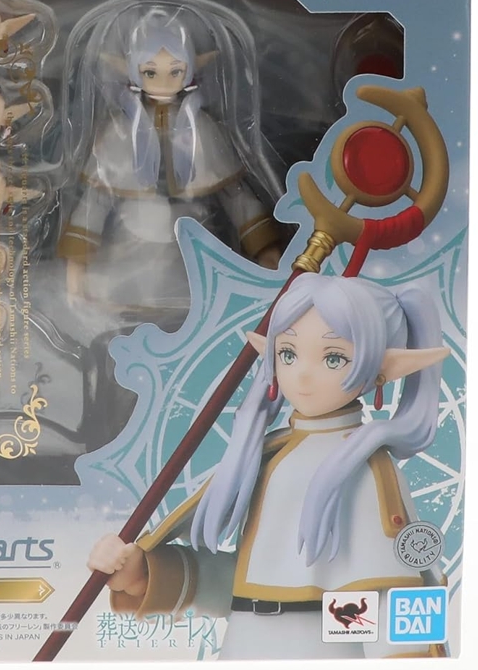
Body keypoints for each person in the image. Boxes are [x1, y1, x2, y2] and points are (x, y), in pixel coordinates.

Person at [88, 274, 450, 659]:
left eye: (334, 358)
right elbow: (246, 583)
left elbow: (391, 594)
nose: (303, 374)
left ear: (380, 370)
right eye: (288, 353)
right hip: (244, 645)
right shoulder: (270, 454)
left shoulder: (366, 469)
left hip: (319, 649)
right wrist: (144, 571)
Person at [58, 8, 284, 313]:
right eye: (150, 72)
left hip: (194, 252)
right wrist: (76, 268)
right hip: (132, 255)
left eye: (175, 71)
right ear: (134, 71)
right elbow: (95, 202)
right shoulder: (120, 132)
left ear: (189, 70)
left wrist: (265, 248)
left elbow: (236, 196)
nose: (163, 81)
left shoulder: (202, 128)